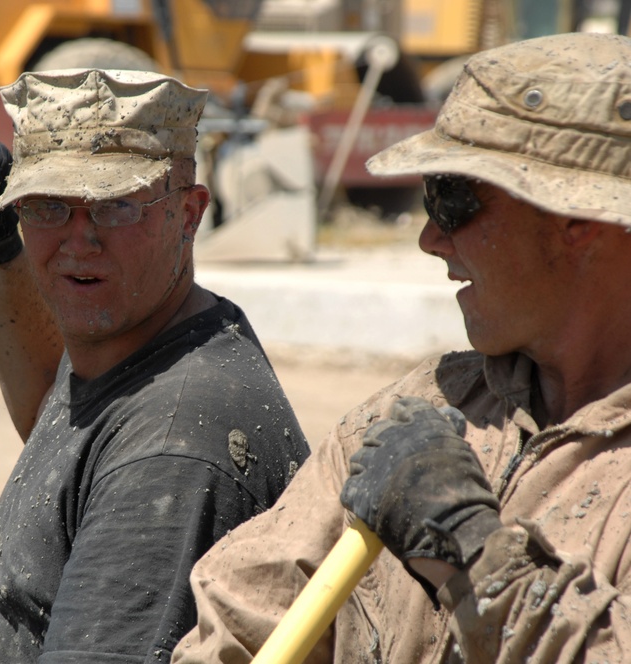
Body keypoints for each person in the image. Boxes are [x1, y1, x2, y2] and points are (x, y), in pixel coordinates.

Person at [171, 30, 631, 663]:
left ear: (579, 218)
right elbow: (238, 616)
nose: (429, 240)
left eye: (454, 198)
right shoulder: (421, 411)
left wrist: (476, 551)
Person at [0, 67, 311, 662]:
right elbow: (64, 426)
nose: (79, 239)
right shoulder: (139, 343)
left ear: (190, 213)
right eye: (47, 206)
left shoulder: (172, 450)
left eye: (114, 207)